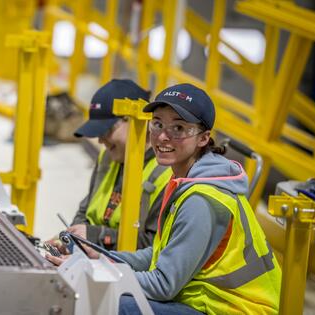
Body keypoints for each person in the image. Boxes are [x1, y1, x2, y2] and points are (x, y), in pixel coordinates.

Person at [48, 83, 281, 314]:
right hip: (205, 300)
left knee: (107, 302)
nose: (162, 137)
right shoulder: (185, 181)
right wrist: (102, 258)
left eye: (178, 128)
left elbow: (163, 285)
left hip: (232, 309)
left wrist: (95, 275)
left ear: (203, 138)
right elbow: (158, 254)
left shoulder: (202, 199)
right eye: (157, 124)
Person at [62, 79, 172, 250]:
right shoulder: (106, 158)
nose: (100, 140)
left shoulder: (167, 175)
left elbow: (154, 246)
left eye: (106, 131)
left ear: (137, 121)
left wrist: (95, 236)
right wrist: (75, 239)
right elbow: (84, 211)